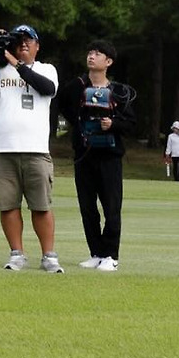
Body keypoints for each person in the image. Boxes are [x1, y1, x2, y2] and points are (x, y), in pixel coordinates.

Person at [0, 24, 63, 274]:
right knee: (8, 204)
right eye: (19, 40)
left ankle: (49, 255)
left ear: (38, 46)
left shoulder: (45, 69)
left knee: (41, 205)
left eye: (30, 40)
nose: (24, 44)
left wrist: (17, 64)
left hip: (35, 148)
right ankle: (17, 253)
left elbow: (47, 89)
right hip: (1, 148)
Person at [57, 40, 137, 272]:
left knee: (111, 207)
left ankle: (111, 255)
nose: (92, 56)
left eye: (98, 54)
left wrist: (112, 123)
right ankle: (96, 252)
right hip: (84, 155)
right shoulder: (76, 86)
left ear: (108, 62)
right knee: (87, 207)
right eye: (90, 52)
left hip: (110, 157)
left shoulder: (119, 92)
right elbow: (62, 105)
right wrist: (80, 123)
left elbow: (131, 123)